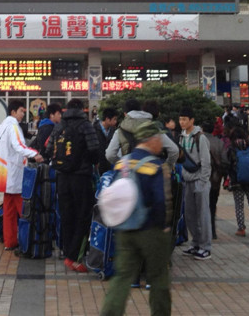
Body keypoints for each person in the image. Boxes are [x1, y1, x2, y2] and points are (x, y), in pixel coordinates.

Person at [99, 121, 172, 316]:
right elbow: (159, 201)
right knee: (158, 278)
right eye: (160, 139)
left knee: (122, 277)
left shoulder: (122, 163)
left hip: (125, 229)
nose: (162, 144)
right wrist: (163, 226)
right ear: (152, 140)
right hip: (150, 231)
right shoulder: (155, 165)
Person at [46, 98, 101, 271]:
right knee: (83, 216)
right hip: (81, 178)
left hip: (62, 177)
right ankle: (75, 257)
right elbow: (94, 150)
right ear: (82, 109)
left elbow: (48, 151)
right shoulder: (86, 125)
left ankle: (67, 253)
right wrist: (91, 163)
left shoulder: (58, 126)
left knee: (66, 215)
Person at [0, 100, 44, 251]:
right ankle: (26, 241)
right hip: (15, 174)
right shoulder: (13, 126)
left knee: (8, 212)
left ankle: (9, 242)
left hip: (4, 174)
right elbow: (19, 146)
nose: (23, 114)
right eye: (22, 111)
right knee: (23, 211)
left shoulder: (2, 126)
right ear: (13, 112)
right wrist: (34, 153)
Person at [178, 106, 212, 260]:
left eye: (184, 119)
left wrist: (203, 181)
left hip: (199, 181)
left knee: (203, 215)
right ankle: (195, 243)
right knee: (190, 215)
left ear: (192, 120)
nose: (182, 122)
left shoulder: (200, 137)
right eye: (180, 119)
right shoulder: (181, 137)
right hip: (187, 180)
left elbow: (206, 161)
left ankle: (206, 247)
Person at [105, 99, 179, 165]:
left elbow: (110, 154)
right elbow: (174, 150)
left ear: (125, 114)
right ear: (140, 110)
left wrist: (123, 165)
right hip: (152, 174)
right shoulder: (153, 127)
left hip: (130, 174)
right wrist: (167, 166)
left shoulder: (120, 131)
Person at [205, 120, 229, 240]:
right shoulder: (219, 143)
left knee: (201, 206)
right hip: (215, 180)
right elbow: (225, 161)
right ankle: (212, 230)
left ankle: (204, 231)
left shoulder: (198, 141)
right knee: (212, 205)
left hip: (201, 179)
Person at [94, 107, 119, 175]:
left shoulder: (114, 131)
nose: (115, 122)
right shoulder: (94, 130)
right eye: (114, 119)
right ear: (107, 119)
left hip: (109, 165)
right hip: (98, 165)